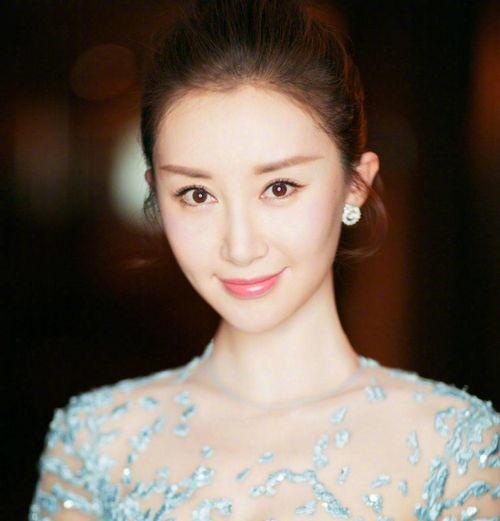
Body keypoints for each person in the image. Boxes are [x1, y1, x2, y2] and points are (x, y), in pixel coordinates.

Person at [29, 1, 499, 519]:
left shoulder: (457, 449)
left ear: (356, 184)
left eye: (279, 187)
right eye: (196, 194)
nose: (240, 246)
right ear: (156, 196)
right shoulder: (95, 443)